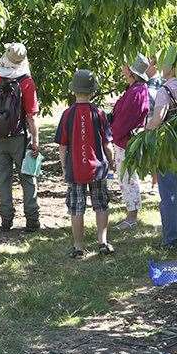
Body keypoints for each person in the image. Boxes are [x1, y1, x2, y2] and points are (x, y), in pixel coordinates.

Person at [0, 43, 40, 232]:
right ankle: (32, 219)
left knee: (2, 179)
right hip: (19, 137)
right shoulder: (26, 82)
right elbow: (31, 115)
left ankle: (6, 220)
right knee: (28, 177)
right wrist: (36, 141)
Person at [55, 70, 115, 258]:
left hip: (75, 170)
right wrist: (111, 162)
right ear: (92, 92)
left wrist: (65, 168)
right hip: (97, 169)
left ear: (74, 91)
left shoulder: (67, 114)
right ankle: (103, 241)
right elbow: (107, 144)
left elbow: (63, 147)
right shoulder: (99, 113)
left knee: (76, 207)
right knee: (101, 205)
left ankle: (79, 246)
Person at [146, 54, 177, 249]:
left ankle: (170, 240)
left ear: (174, 67)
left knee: (168, 194)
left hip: (167, 148)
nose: (162, 66)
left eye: (166, 63)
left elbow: (158, 119)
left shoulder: (165, 90)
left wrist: (145, 131)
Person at [110, 54, 150, 230]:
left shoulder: (136, 92)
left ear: (131, 71)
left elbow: (124, 120)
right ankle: (131, 213)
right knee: (126, 177)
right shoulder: (135, 89)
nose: (122, 68)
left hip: (126, 141)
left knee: (128, 178)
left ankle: (132, 218)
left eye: (125, 65)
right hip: (126, 140)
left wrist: (112, 132)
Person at [145, 56, 164, 191]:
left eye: (149, 62)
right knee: (153, 153)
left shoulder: (158, 82)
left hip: (156, 120)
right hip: (152, 120)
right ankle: (154, 180)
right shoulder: (149, 82)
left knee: (156, 153)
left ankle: (156, 181)